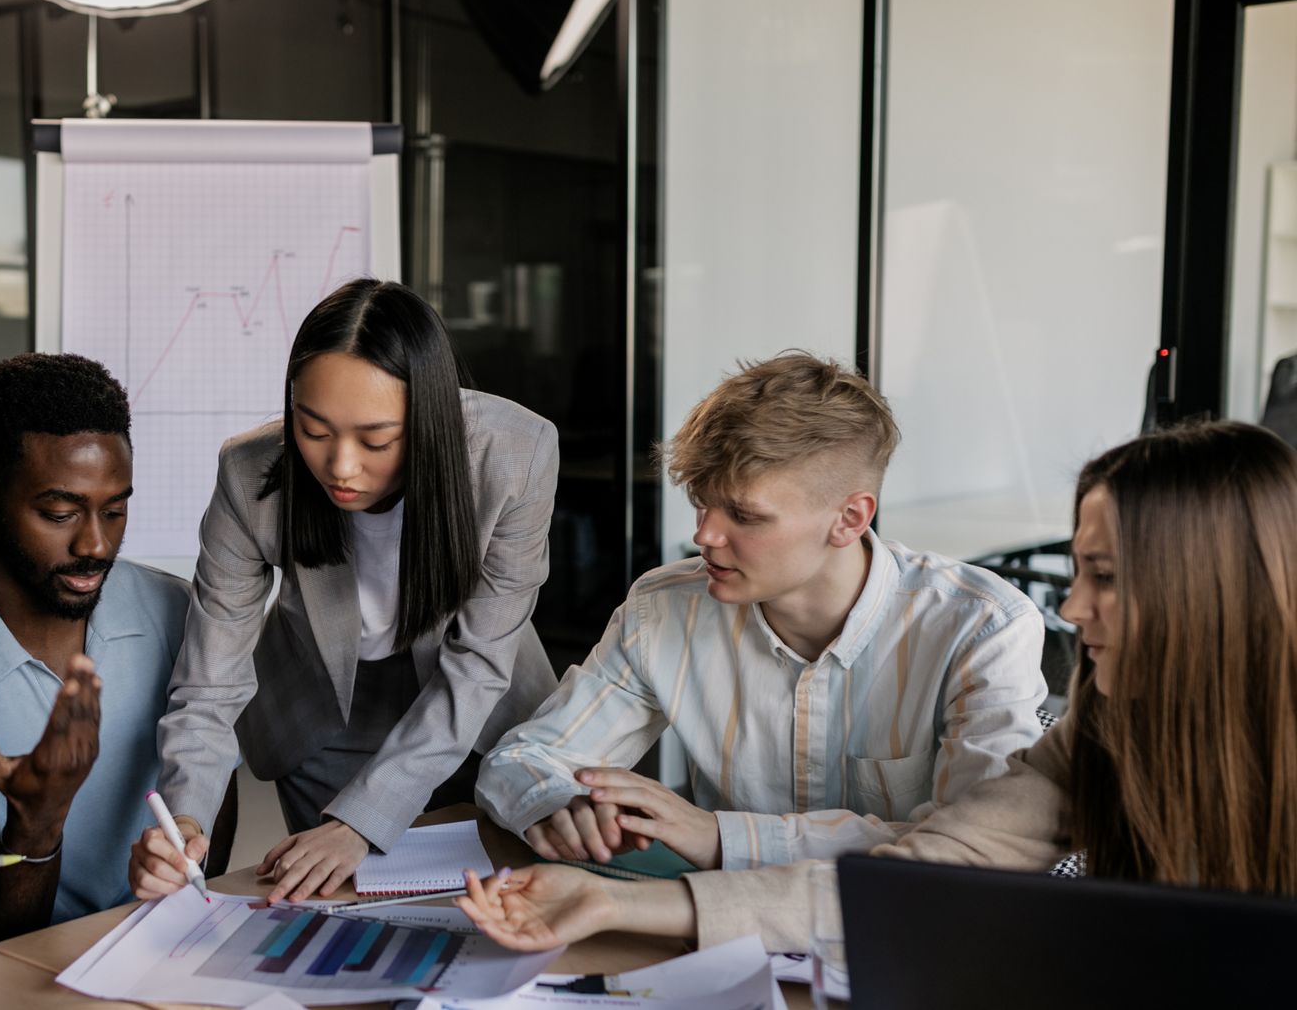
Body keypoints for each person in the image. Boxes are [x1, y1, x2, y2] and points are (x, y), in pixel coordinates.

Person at [457, 420, 1297, 953]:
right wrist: (607, 904)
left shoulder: (981, 625)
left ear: (1209, 587)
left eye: (1106, 577)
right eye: (1080, 572)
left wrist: (717, 836)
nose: (1074, 609)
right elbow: (927, 877)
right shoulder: (1103, 730)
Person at [477, 352, 1048, 870]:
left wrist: (720, 836)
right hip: (718, 938)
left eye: (743, 516)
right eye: (701, 504)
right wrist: (557, 803)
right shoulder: (664, 610)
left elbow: (975, 853)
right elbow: (525, 757)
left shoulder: (981, 628)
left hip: (906, 943)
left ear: (850, 518)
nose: (704, 535)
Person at [131, 278, 561, 903]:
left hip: (475, 711)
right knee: (341, 913)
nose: (341, 467)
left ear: (429, 421)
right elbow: (209, 678)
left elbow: (476, 666)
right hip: (322, 713)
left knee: (484, 909)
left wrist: (364, 818)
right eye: (313, 430)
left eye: (376, 440)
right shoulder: (250, 472)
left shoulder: (514, 455)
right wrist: (185, 819)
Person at [0, 353, 194, 938]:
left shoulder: (178, 612)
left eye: (115, 511)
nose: (95, 544)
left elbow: (211, 786)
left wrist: (186, 865)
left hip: (168, 948)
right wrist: (37, 823)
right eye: (60, 513)